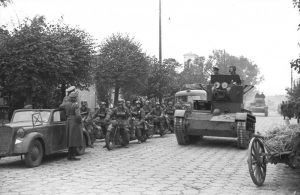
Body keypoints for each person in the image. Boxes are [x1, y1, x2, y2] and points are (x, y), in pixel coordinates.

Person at [59, 92, 83, 160]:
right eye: (75, 97)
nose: (76, 98)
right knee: (74, 138)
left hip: (68, 121)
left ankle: (69, 155)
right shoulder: (76, 105)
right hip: (75, 122)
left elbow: (60, 106)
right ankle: (73, 156)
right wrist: (80, 121)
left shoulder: (66, 104)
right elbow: (78, 115)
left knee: (70, 139)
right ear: (74, 98)